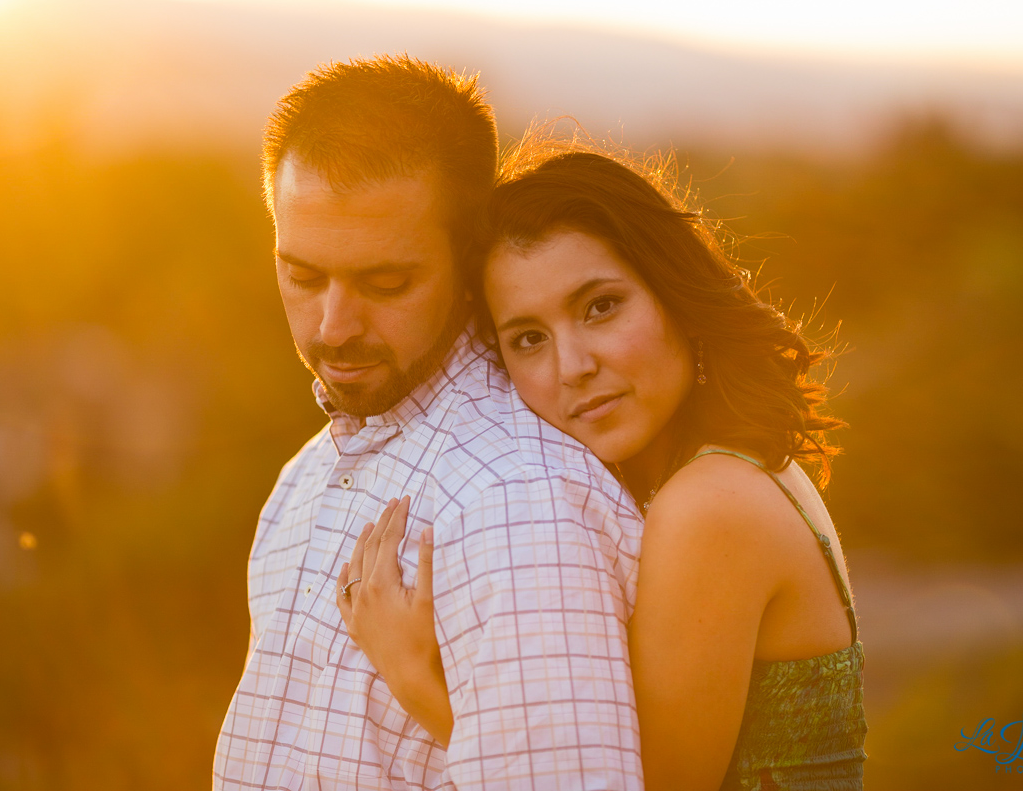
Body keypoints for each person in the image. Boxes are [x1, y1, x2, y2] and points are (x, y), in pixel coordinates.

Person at [337, 144, 868, 790]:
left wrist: (412, 675)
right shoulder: (734, 470)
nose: (573, 366)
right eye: (529, 338)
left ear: (674, 294)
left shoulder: (711, 504)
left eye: (600, 307)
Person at [214, 58, 648, 790]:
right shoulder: (305, 478)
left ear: (470, 259)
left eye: (387, 283)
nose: (334, 326)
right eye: (303, 275)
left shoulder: (517, 501)